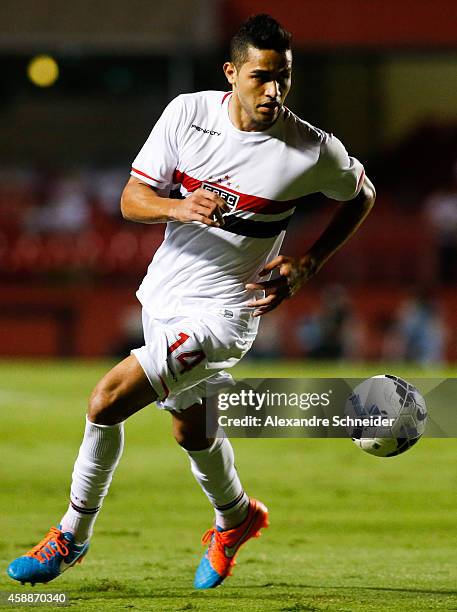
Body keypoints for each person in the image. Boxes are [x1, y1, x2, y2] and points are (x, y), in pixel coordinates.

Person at [7, 14, 375, 590]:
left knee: (105, 401)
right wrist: (177, 207)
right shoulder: (186, 114)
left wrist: (310, 261)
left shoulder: (311, 150)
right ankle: (237, 518)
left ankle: (70, 535)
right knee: (193, 428)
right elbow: (132, 198)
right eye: (260, 77)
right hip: (163, 294)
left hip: (227, 313)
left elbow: (363, 194)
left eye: (283, 78)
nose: (274, 91)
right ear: (232, 73)